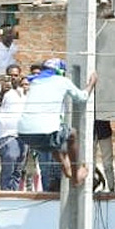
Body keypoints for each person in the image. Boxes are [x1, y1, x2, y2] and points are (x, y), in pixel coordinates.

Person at [17, 59, 96, 190]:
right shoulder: (62, 81)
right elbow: (82, 97)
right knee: (72, 134)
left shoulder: (36, 81)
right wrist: (92, 83)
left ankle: (66, 166)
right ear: (60, 72)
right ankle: (76, 175)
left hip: (25, 134)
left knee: (54, 141)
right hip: (46, 133)